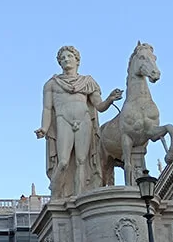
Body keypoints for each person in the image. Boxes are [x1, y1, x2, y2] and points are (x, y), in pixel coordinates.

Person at [35, 45, 123, 198]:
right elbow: (47, 109)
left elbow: (99, 106)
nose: (66, 60)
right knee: (63, 161)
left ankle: (79, 196)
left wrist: (110, 99)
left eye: (69, 56)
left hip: (84, 120)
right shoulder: (52, 84)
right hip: (63, 120)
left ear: (77, 60)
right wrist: (44, 128)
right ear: (59, 63)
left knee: (82, 161)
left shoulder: (88, 82)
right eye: (62, 58)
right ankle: (56, 193)